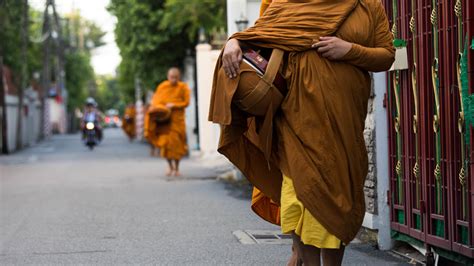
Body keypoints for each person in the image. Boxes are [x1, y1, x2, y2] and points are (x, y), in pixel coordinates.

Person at [209, 0, 395, 265]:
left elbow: (387, 56)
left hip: (344, 121)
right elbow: (260, 37)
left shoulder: (368, 5)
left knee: (339, 199)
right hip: (297, 119)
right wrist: (233, 42)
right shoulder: (285, 2)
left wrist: (348, 50)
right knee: (300, 194)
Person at [148, 68, 190, 176]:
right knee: (165, 144)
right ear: (168, 77)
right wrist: (161, 109)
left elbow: (186, 102)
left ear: (179, 77)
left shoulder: (183, 87)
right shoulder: (162, 87)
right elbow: (155, 102)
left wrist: (174, 105)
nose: (173, 80)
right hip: (164, 121)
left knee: (177, 145)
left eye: (176, 77)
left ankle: (177, 168)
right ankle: (170, 167)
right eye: (171, 77)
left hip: (177, 120)